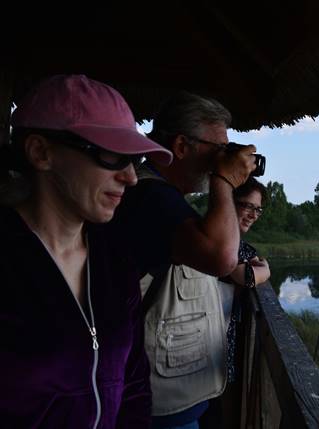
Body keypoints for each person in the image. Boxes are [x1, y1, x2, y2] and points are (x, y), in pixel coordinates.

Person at [0, 74, 173, 428]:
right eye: (111, 156)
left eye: (134, 160)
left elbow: (134, 384)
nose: (131, 177)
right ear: (41, 152)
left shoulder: (114, 260)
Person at [109, 91, 256, 429]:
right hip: (156, 407)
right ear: (180, 146)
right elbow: (221, 256)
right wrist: (224, 180)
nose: (223, 159)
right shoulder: (151, 197)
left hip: (167, 396)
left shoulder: (165, 198)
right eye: (219, 149)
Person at [221, 177, 270, 383]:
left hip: (220, 335)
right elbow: (247, 276)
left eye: (258, 209)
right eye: (248, 206)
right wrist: (266, 270)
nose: (253, 215)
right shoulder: (222, 238)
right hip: (207, 338)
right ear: (229, 201)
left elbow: (251, 259)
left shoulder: (237, 242)